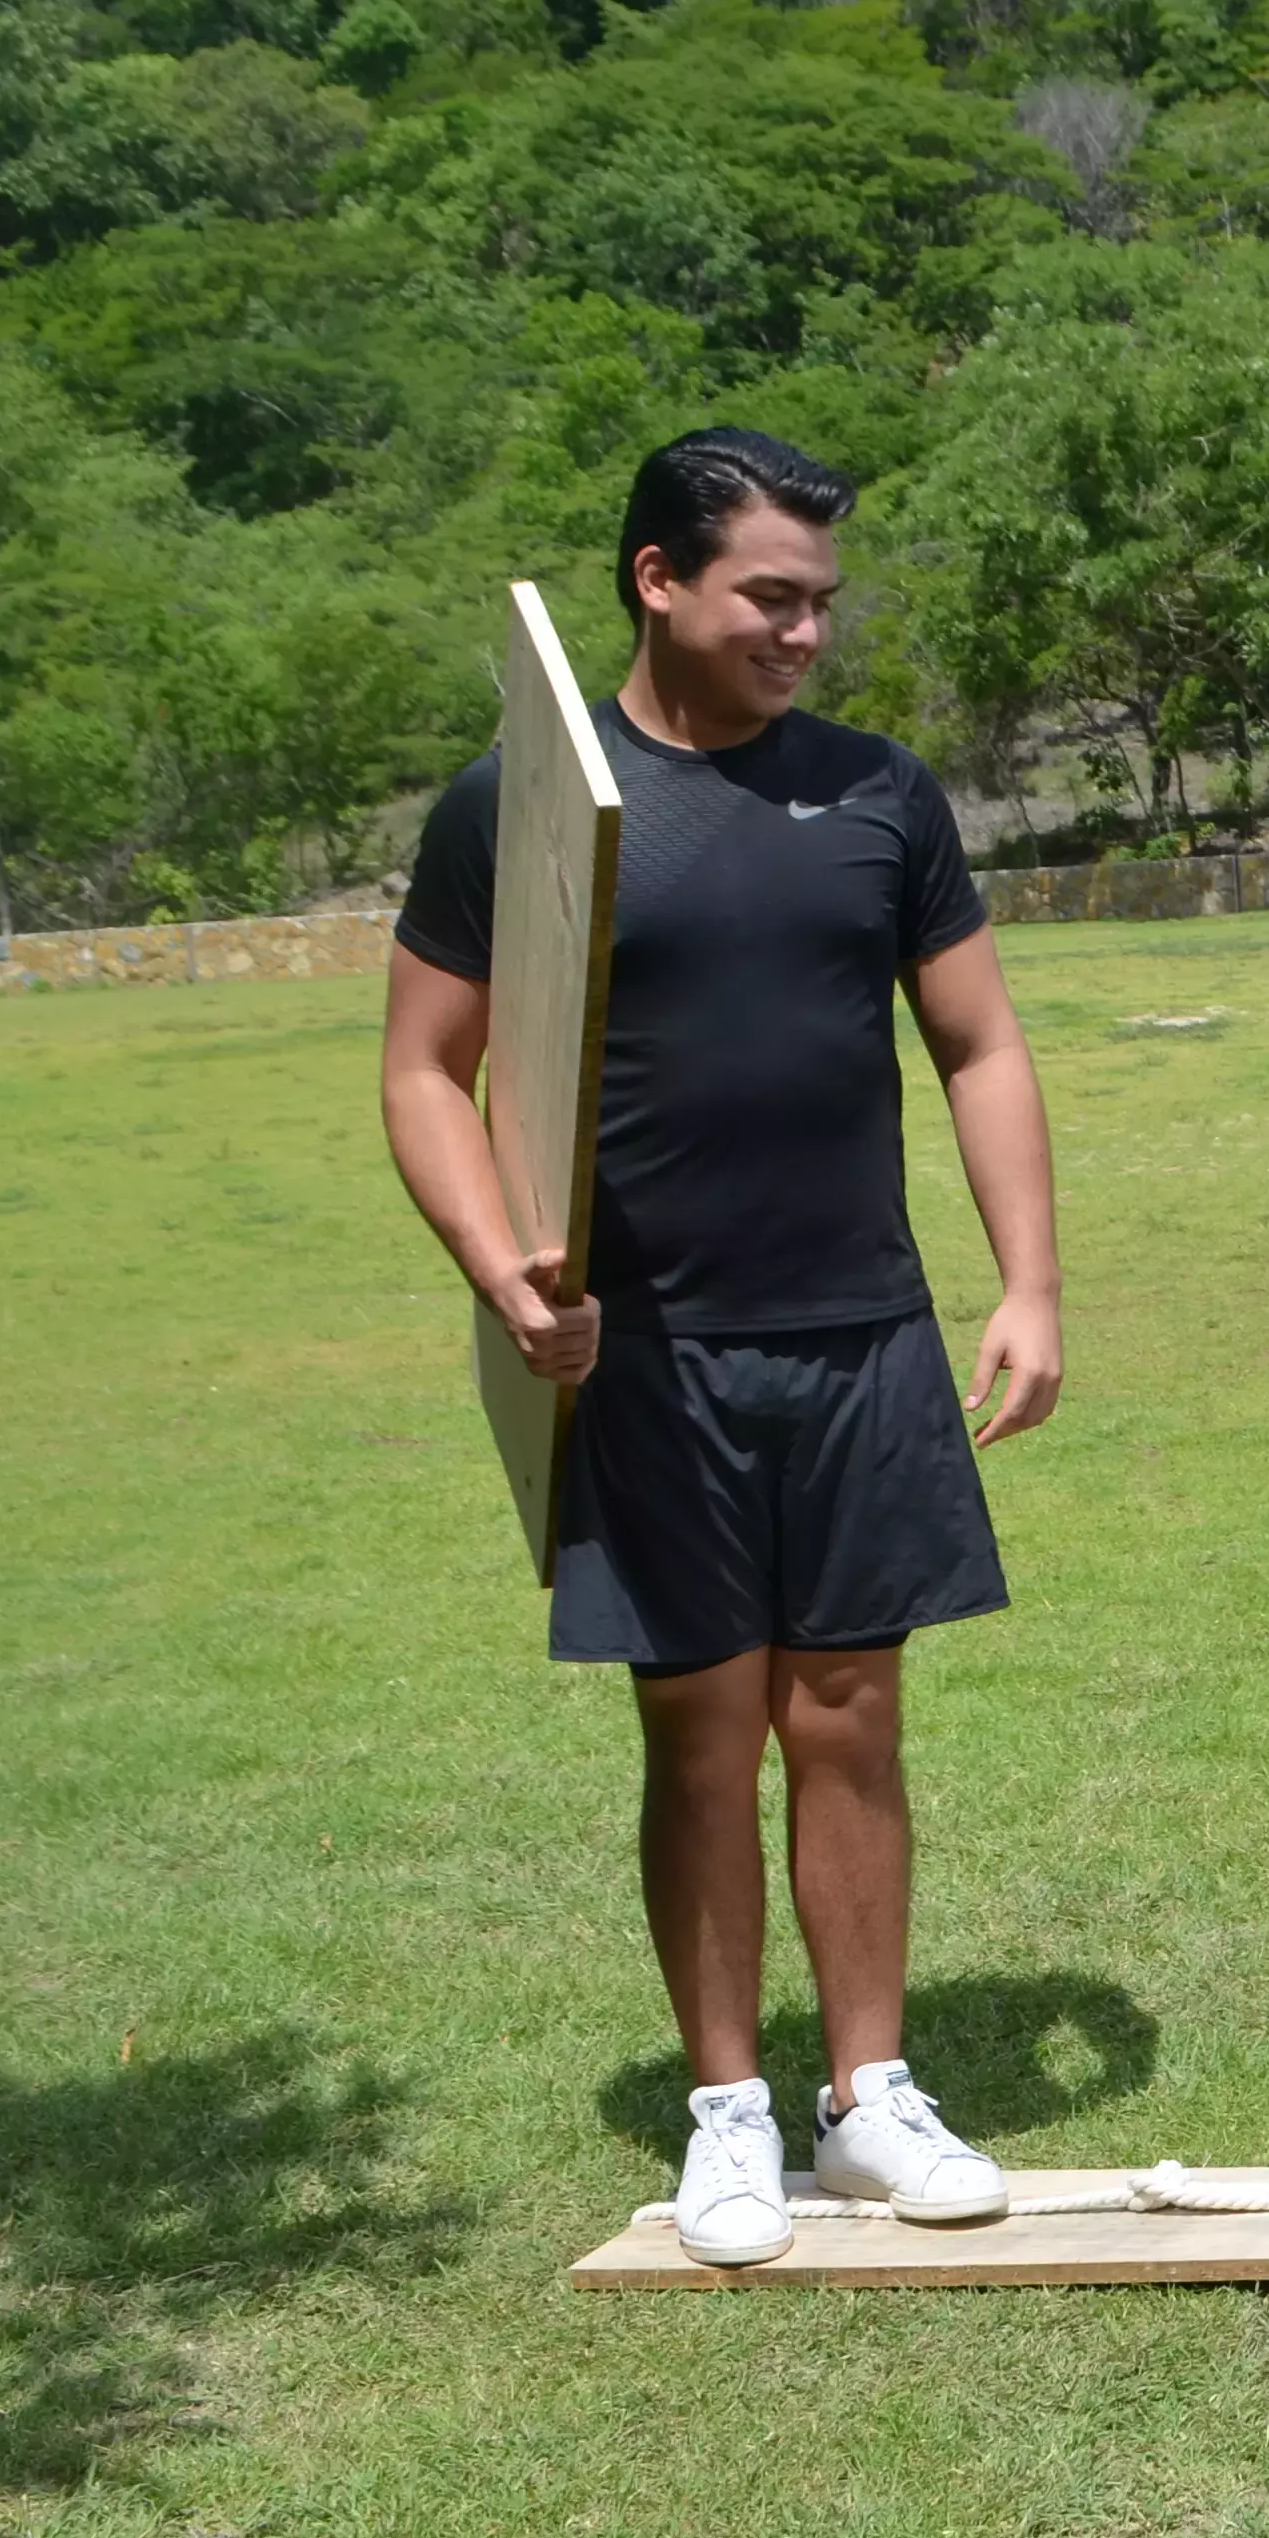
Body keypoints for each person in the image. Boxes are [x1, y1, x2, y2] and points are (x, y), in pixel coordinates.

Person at [379, 428, 1066, 2270]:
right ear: (658, 580)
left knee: (850, 1717)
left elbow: (979, 1047)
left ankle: (866, 2100)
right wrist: (502, 1268)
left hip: (857, 1333)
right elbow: (420, 1073)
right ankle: (728, 2118)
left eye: (824, 603)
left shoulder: (878, 795)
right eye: (772, 595)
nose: (806, 635)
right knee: (699, 1733)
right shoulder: (529, 806)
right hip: (648, 1355)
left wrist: (1029, 1284)